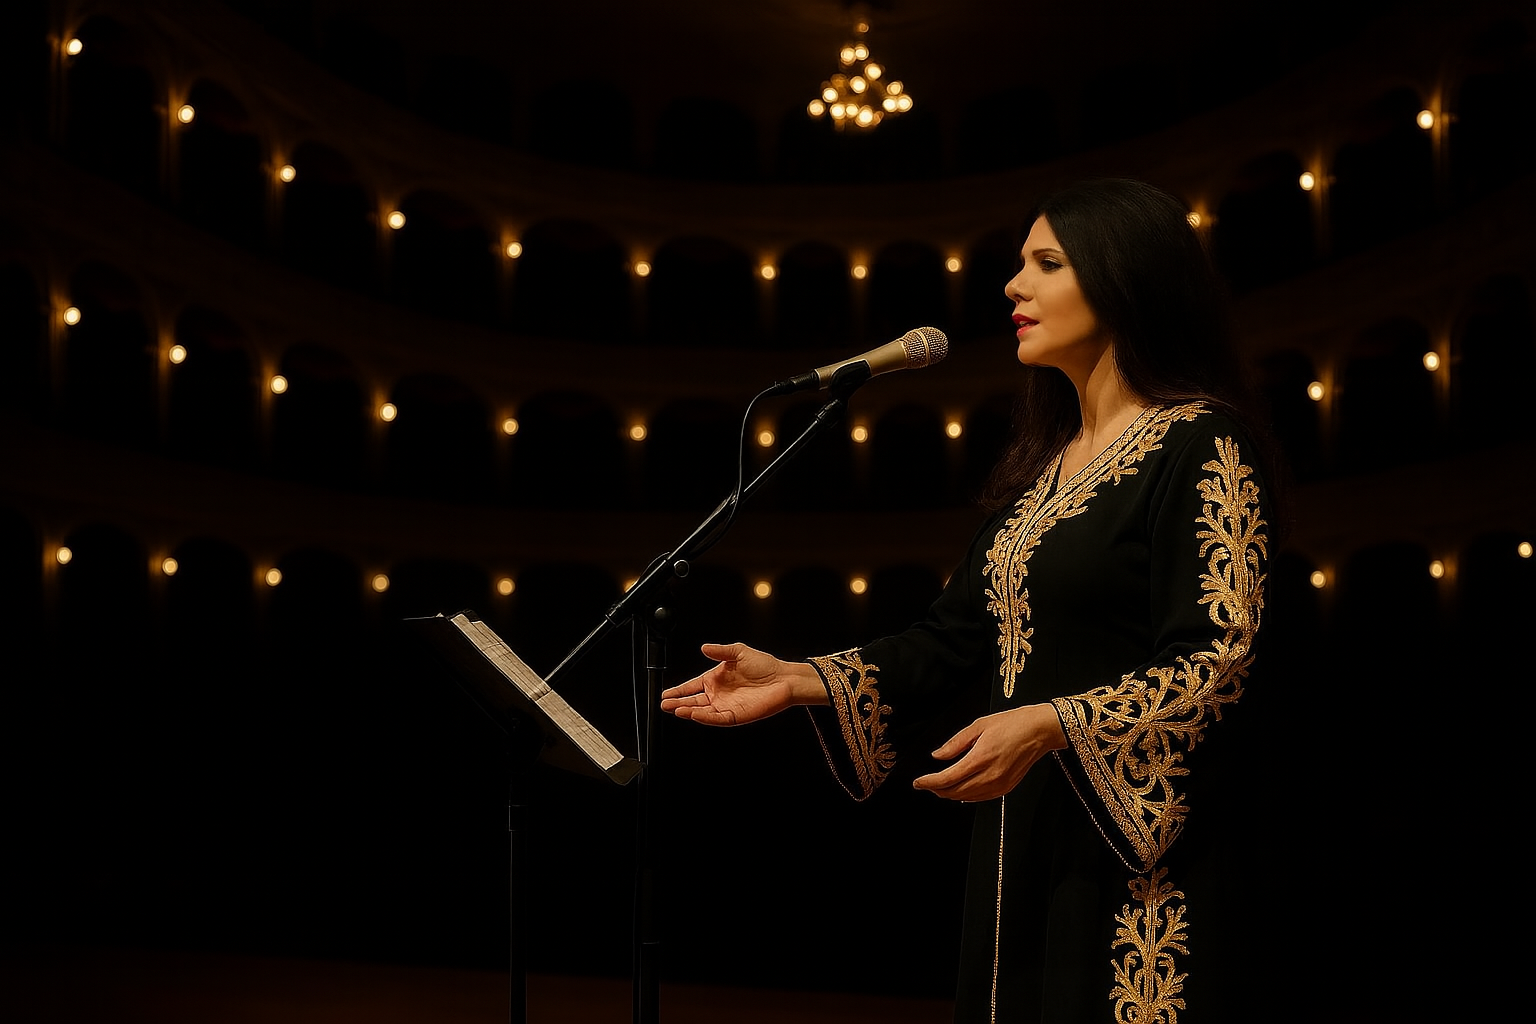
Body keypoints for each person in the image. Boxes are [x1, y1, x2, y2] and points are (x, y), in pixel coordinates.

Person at [660, 177, 1280, 1023]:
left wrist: (1053, 723)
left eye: (1047, 264)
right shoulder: (1043, 474)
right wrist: (798, 679)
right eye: (1020, 264)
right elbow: (952, 639)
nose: (1013, 286)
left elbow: (1222, 656)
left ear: (1124, 276)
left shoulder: (1201, 443)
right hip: (1022, 847)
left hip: (1139, 863)